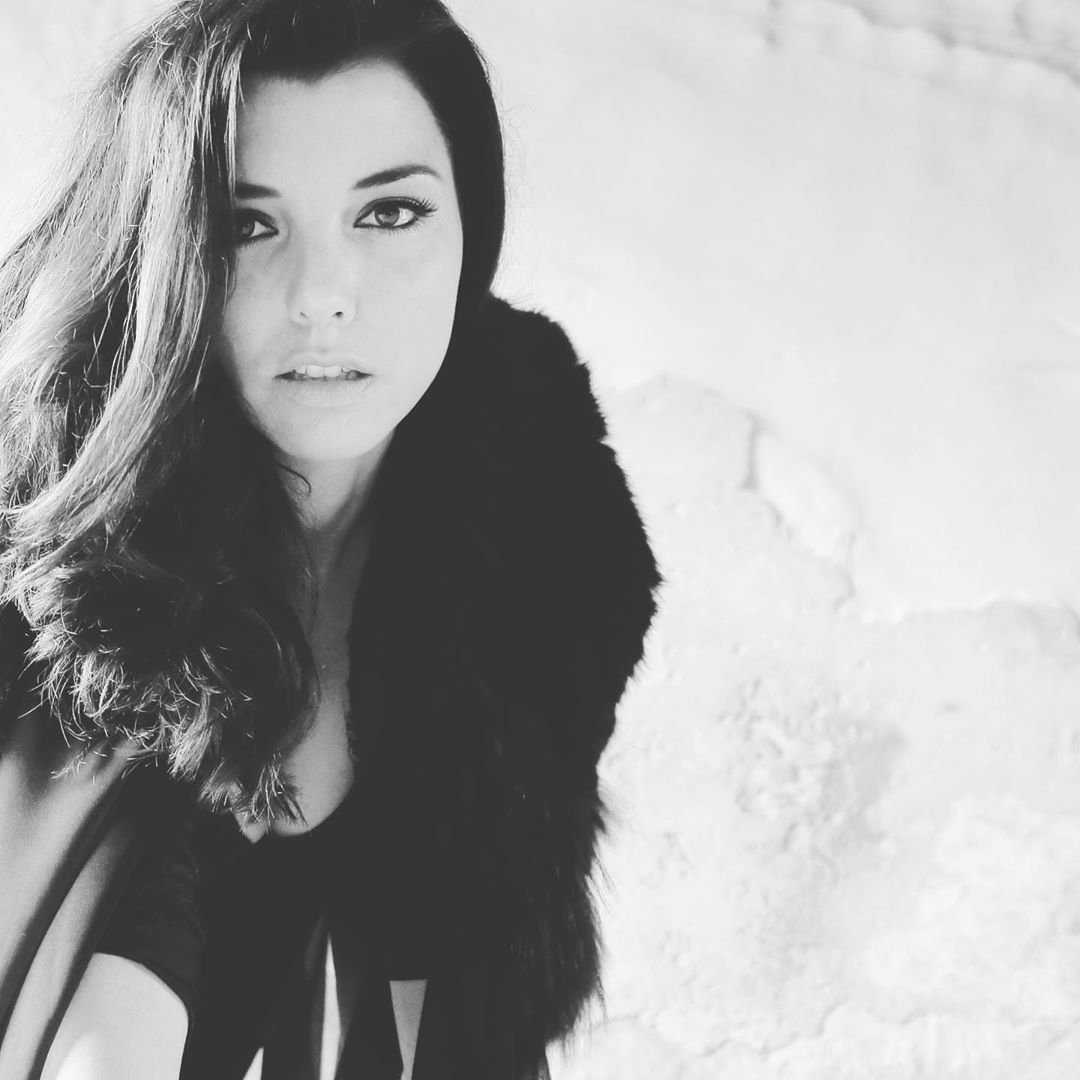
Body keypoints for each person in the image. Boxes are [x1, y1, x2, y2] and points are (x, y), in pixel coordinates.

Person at [0, 1, 661, 1078]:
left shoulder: (539, 578)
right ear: (160, 252)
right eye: (245, 224)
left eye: (389, 213)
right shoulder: (37, 583)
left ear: (472, 232)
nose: (322, 298)